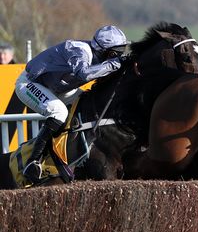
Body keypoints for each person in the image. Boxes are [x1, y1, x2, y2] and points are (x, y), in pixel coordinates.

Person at [14, 25, 129, 182]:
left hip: (58, 88)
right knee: (59, 112)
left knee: (88, 101)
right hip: (29, 84)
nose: (117, 56)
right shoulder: (78, 49)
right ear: (104, 50)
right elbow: (83, 74)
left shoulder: (98, 54)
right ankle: (32, 162)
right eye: (115, 53)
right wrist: (113, 64)